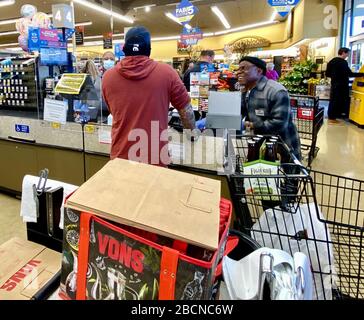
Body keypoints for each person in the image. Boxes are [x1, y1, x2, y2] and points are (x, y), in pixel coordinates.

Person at [102, 26, 196, 166]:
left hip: (120, 157)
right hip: (155, 158)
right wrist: (192, 135)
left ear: (125, 48)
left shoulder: (108, 77)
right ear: (149, 49)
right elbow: (186, 112)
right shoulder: (167, 73)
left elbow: (114, 111)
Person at [237, 56, 301, 160]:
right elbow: (240, 112)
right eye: (238, 69)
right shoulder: (246, 91)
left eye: (243, 68)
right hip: (258, 142)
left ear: (258, 71)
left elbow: (278, 124)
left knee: (284, 173)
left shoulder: (276, 91)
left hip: (282, 145)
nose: (238, 72)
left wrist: (248, 125)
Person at [326, 47, 364, 124]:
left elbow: (327, 74)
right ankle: (333, 118)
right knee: (338, 100)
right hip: (341, 85)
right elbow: (349, 74)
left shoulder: (332, 61)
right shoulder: (343, 62)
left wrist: (335, 77)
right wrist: (362, 74)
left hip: (334, 84)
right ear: (343, 53)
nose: (348, 55)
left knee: (333, 100)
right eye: (347, 53)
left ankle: (331, 116)